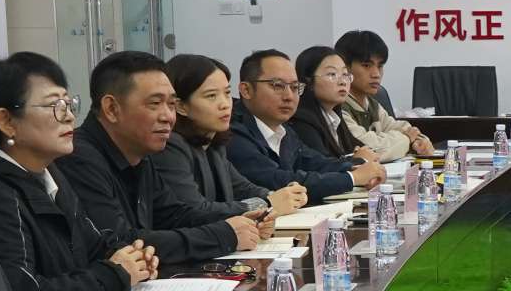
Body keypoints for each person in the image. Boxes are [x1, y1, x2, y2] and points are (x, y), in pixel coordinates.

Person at [0, 53, 156, 291]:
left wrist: (132, 257)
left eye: (69, 104)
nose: (69, 116)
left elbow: (93, 244)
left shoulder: (49, 172)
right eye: (54, 106)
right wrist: (113, 275)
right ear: (6, 122)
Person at [56, 51, 267, 265]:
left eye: (171, 105)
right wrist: (223, 235)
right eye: (155, 104)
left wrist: (241, 221)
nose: (168, 117)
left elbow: (173, 215)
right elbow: (118, 242)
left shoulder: (139, 152)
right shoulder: (78, 158)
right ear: (111, 108)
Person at [161, 54, 309, 223]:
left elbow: (242, 188)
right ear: (181, 106)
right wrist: (268, 202)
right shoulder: (171, 146)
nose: (225, 104)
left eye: (227, 93)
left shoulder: (213, 143)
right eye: (211, 96)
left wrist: (280, 196)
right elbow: (195, 210)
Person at [229, 49, 373, 199]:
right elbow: (280, 181)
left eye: (294, 87)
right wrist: (352, 178)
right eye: (278, 86)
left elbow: (315, 163)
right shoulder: (234, 132)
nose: (289, 96)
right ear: (246, 90)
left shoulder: (284, 130)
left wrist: (359, 165)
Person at [332, 29, 436, 161]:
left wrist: (420, 141)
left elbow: (402, 128)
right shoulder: (336, 107)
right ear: (344, 68)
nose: (376, 74)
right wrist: (408, 139)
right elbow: (370, 149)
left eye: (380, 66)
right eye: (366, 65)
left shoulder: (372, 104)